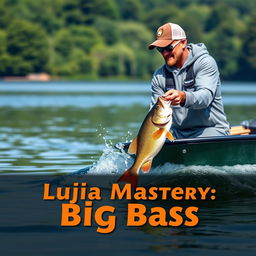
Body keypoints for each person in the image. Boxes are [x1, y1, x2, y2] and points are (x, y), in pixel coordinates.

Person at [148, 22, 230, 139]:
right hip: (177, 135)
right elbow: (153, 114)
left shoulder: (205, 63)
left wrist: (183, 97)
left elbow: (205, 97)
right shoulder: (159, 76)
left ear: (183, 43)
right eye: (160, 49)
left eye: (168, 48)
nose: (165, 53)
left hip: (211, 132)